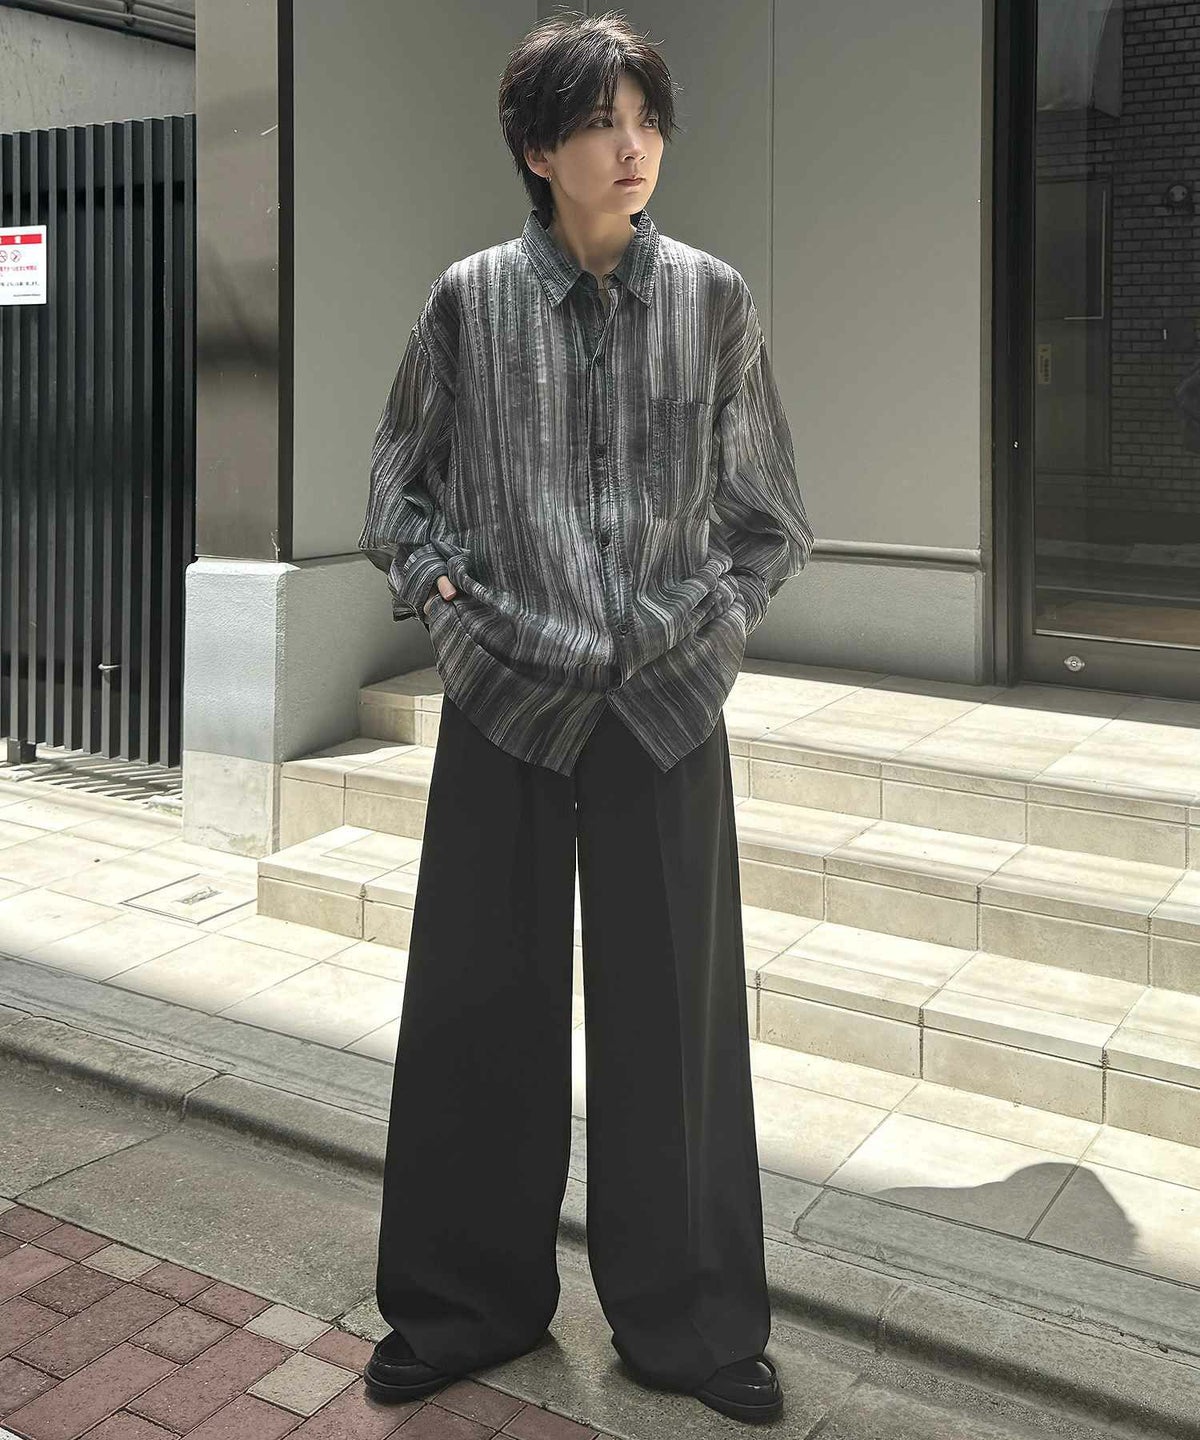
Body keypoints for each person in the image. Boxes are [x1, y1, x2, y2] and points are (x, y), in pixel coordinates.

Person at [358, 8, 814, 1426]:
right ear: (537, 149)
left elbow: (771, 514)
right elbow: (396, 485)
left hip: (666, 707)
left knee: (675, 1027)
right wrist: (444, 598)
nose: (634, 146)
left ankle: (693, 1324)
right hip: (507, 695)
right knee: (475, 1006)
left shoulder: (715, 301)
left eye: (647, 118)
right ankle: (461, 1306)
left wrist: (718, 620)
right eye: (602, 122)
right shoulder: (469, 302)